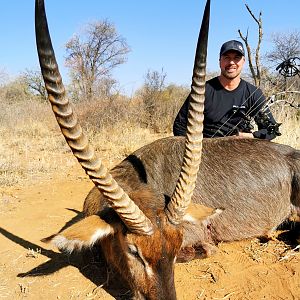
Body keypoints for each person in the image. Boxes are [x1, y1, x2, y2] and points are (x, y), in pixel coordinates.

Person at [173, 40, 281, 140]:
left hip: (241, 153)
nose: (231, 63)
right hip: (205, 152)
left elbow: (272, 130)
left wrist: (249, 136)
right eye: (227, 58)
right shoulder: (202, 91)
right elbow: (179, 125)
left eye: (236, 58)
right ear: (220, 61)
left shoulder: (253, 94)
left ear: (243, 61)